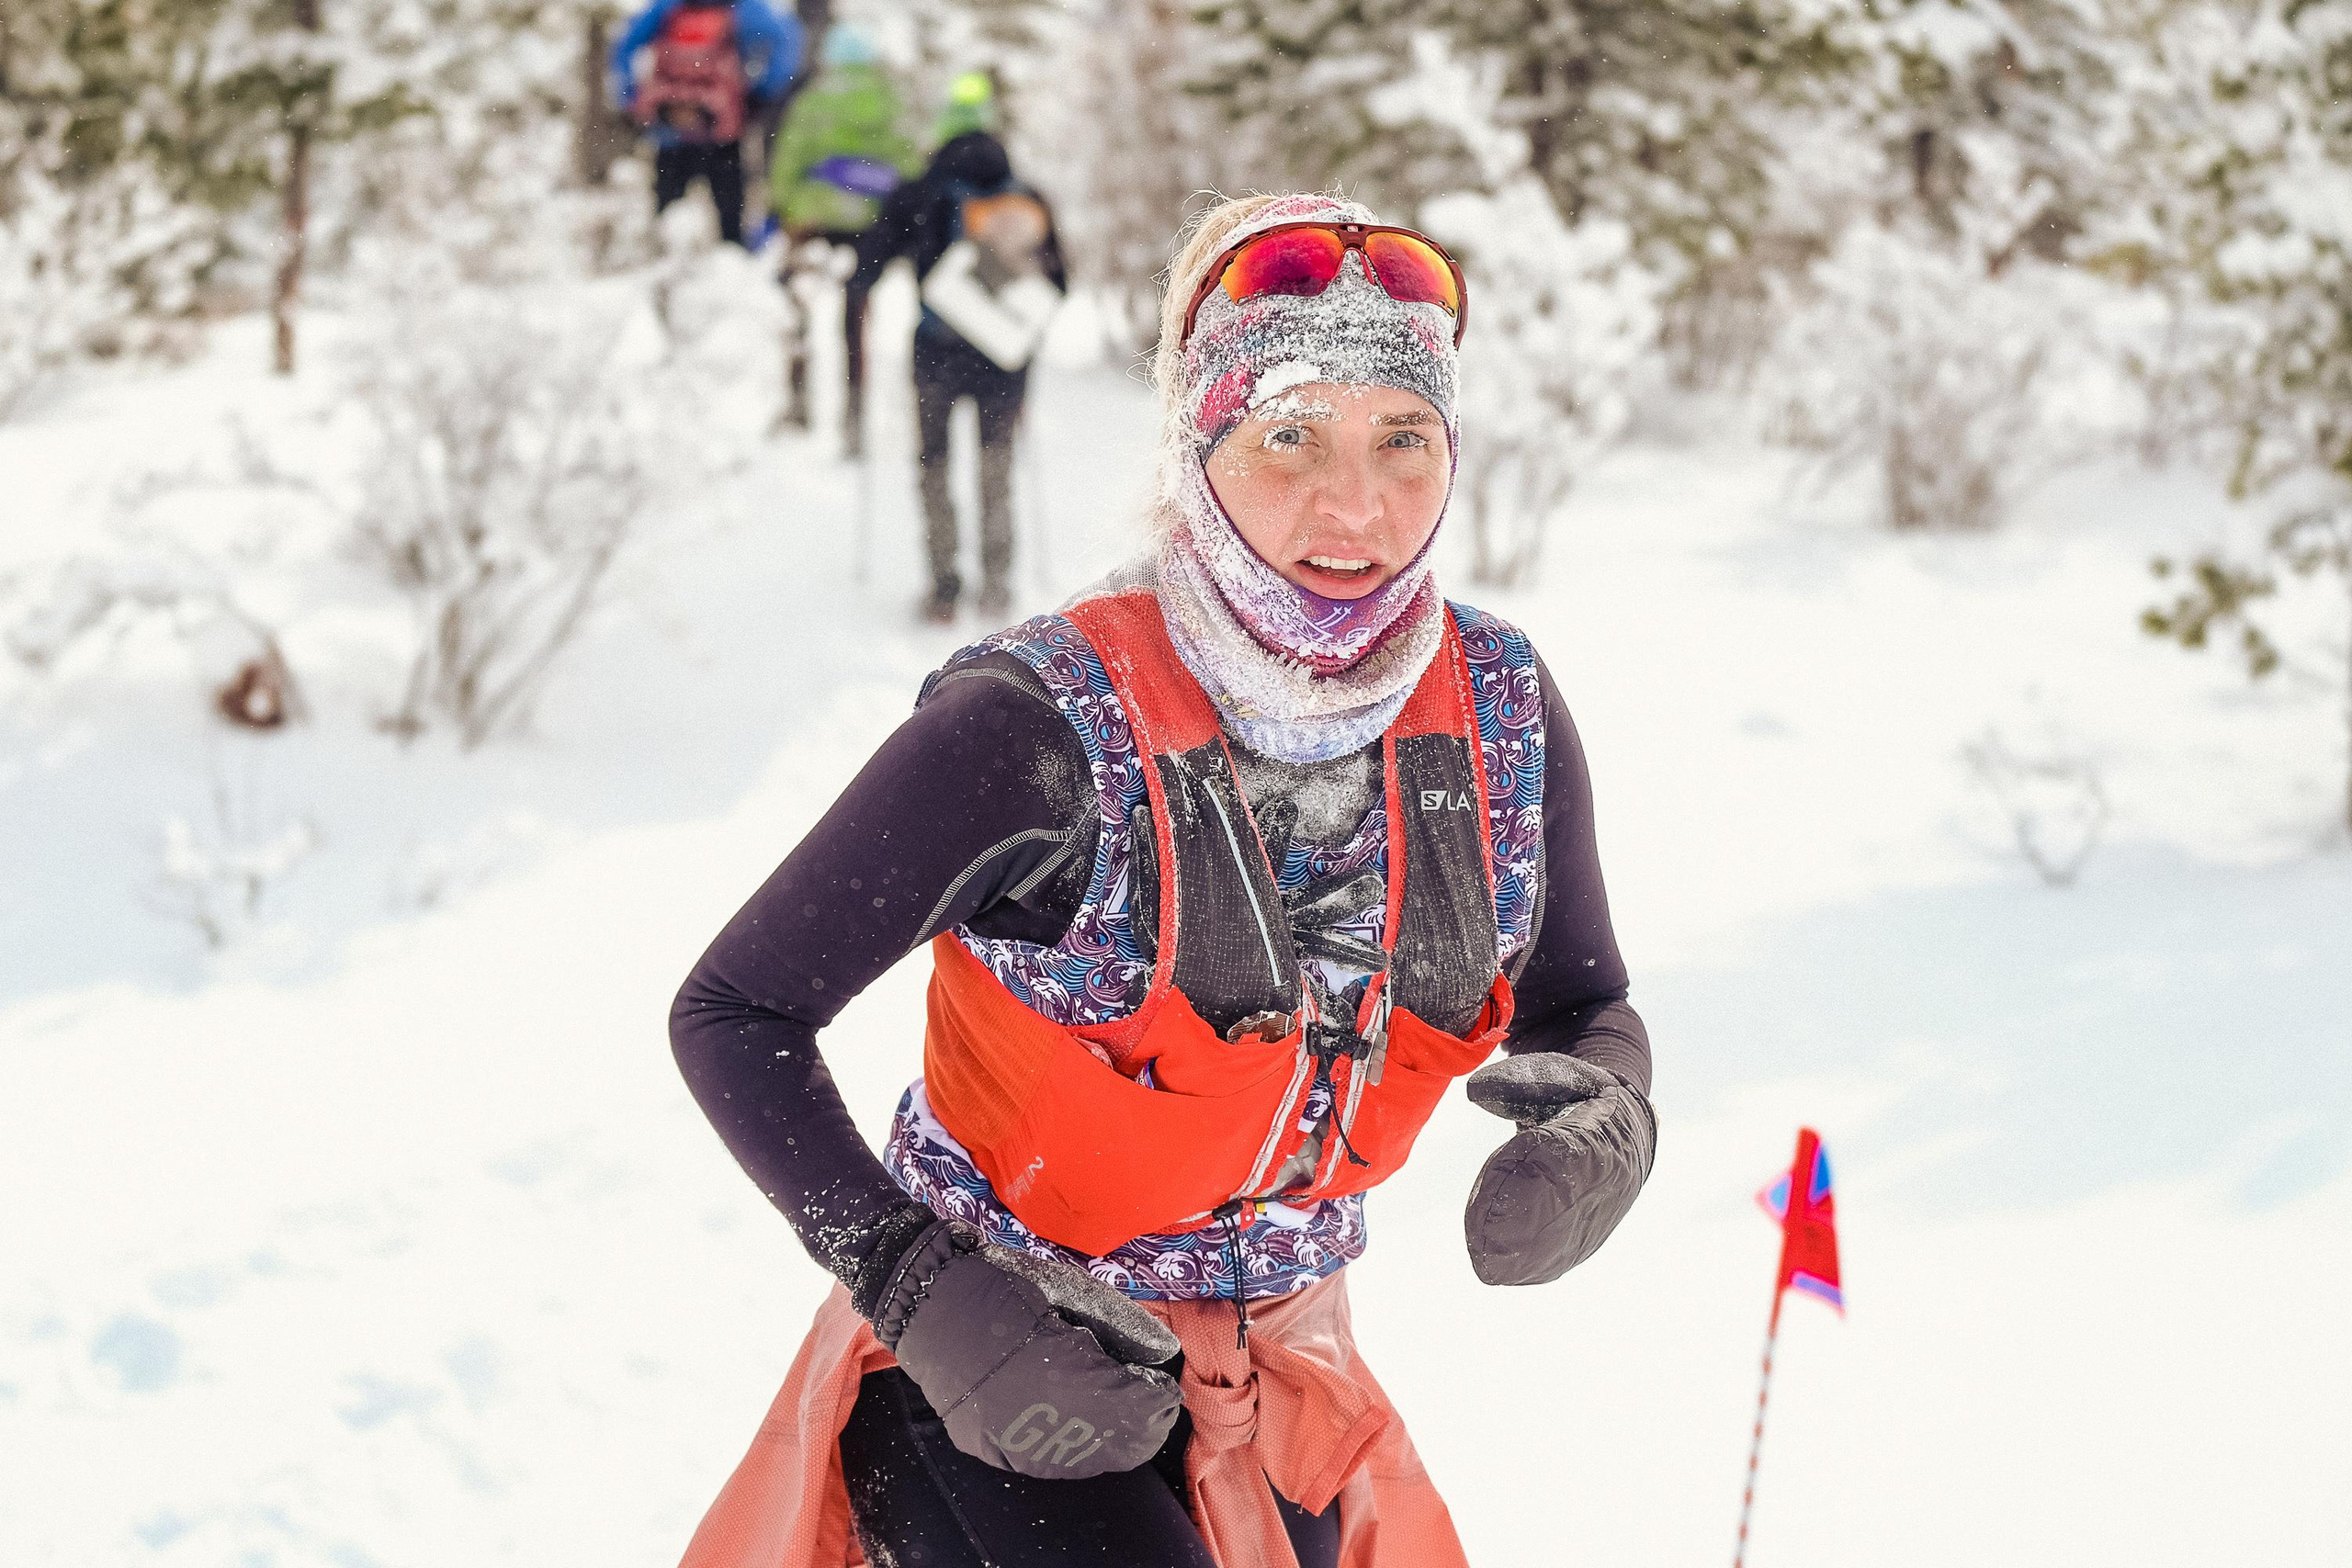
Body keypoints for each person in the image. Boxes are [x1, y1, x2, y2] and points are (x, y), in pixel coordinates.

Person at [667, 192, 1657, 1568]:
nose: (1354, 505)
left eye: (1405, 438)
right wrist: (923, 1290)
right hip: (997, 1385)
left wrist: (1613, 1115)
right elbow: (734, 1009)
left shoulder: (1496, 709)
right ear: (1203, 441)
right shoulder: (1038, 730)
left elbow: (1583, 997)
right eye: (1292, 434)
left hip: (1280, 1392)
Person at [848, 96, 1067, 623]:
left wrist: (861, 297)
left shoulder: (919, 193)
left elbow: (867, 265)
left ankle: (943, 589)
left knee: (934, 465)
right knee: (997, 467)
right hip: (1005, 358)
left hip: (936, 354)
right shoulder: (1025, 196)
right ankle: (997, 587)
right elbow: (1059, 281)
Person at [766, 25, 922, 447]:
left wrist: (787, 209)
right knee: (854, 318)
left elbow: (787, 160)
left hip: (813, 219)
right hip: (869, 224)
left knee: (799, 302)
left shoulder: (814, 99)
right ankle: (854, 411)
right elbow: (909, 167)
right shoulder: (889, 98)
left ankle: (799, 396)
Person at [612, 0, 803, 247]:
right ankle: (732, 266)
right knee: (730, 222)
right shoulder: (742, 7)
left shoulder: (668, 6)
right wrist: (761, 93)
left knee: (666, 218)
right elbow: (785, 41)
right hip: (723, 133)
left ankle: (664, 270)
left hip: (670, 132)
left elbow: (625, 45)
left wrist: (630, 97)